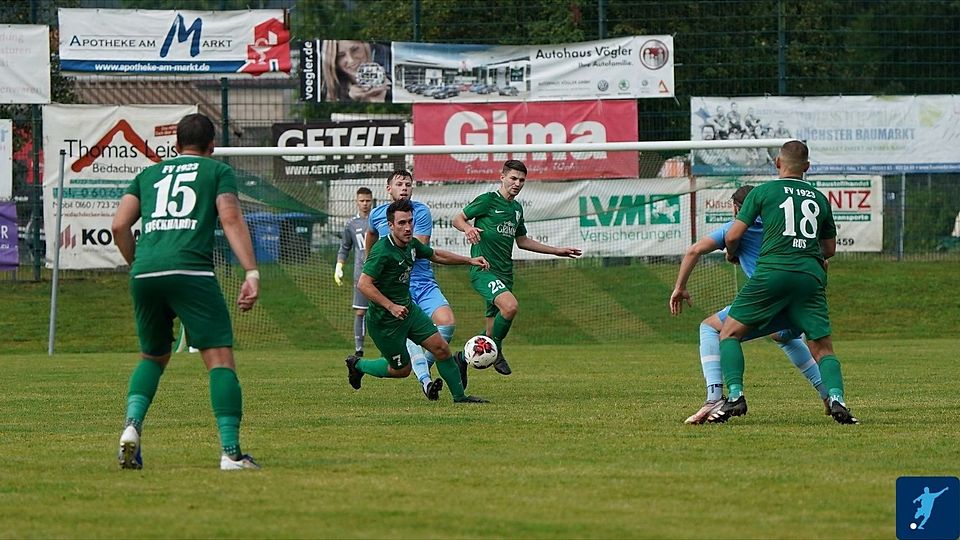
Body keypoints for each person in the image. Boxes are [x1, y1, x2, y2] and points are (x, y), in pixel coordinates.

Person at [110, 113, 261, 470]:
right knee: (219, 359)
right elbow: (230, 218)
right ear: (212, 147)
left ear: (175, 147)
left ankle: (131, 427)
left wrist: (138, 264)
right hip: (190, 270)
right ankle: (231, 453)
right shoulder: (215, 171)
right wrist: (251, 272)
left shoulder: (148, 174)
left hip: (145, 271)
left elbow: (119, 225)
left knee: (153, 357)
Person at [709, 140, 858, 425]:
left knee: (727, 334)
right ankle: (837, 399)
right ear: (808, 167)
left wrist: (731, 255)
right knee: (822, 347)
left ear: (778, 163)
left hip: (772, 273)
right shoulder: (819, 198)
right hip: (810, 278)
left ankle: (736, 396)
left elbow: (732, 236)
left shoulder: (763, 192)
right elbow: (829, 250)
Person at [669, 185, 830, 425]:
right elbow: (824, 260)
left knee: (710, 328)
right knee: (783, 336)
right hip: (801, 298)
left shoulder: (735, 230)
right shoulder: (782, 229)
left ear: (736, 208)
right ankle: (829, 395)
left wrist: (680, 287)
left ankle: (714, 397)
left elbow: (695, 250)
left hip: (765, 297)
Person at [346, 198, 489, 403]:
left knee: (441, 348)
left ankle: (460, 397)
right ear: (390, 226)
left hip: (409, 312)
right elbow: (363, 284)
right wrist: (391, 306)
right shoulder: (381, 251)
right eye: (402, 223)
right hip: (384, 322)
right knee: (401, 370)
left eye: (410, 221)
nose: (408, 227)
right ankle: (357, 365)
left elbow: (436, 255)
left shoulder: (411, 244)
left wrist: (469, 260)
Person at [452, 160, 582, 375]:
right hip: (483, 270)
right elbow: (458, 218)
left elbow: (522, 241)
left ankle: (461, 360)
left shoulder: (516, 209)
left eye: (521, 180)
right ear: (502, 177)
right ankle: (498, 351)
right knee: (510, 307)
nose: (517, 183)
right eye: (513, 178)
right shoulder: (488, 200)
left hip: (505, 272)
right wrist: (467, 228)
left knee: (491, 330)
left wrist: (556, 251)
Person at [365, 170, 466, 400]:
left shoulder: (419, 212)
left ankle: (425, 368)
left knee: (447, 324)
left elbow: (419, 248)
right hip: (397, 289)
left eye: (408, 184)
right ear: (388, 188)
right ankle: (426, 381)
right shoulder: (377, 215)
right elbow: (370, 237)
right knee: (406, 353)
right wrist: (371, 262)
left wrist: (469, 261)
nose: (404, 188)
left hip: (422, 281)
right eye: (399, 184)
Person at [336, 187, 373, 357]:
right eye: (362, 201)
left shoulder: (378, 220)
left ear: (372, 201)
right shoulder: (351, 224)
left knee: (389, 310)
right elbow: (344, 247)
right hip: (361, 274)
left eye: (368, 201)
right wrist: (339, 266)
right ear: (357, 202)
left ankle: (391, 348)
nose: (365, 204)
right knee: (360, 311)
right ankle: (359, 350)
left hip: (380, 273)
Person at [321, 40, 391, 102]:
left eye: (355, 50)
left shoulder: (391, 83)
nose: (351, 60)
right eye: (341, 55)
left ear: (365, 47)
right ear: (334, 61)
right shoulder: (327, 95)